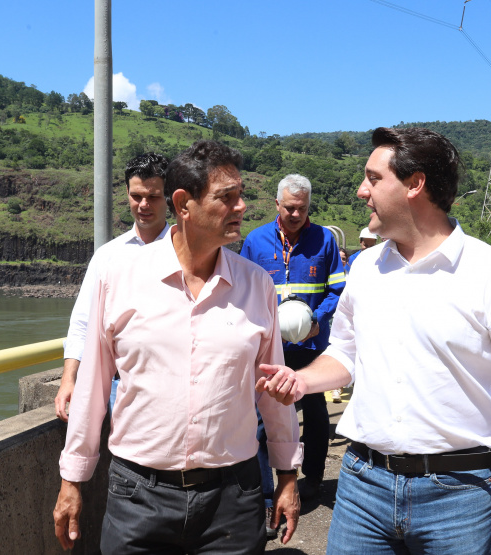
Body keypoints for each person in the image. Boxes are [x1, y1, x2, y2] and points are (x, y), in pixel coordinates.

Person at [257, 127, 491, 555]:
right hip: (362, 487)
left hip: (456, 495)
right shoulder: (365, 268)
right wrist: (301, 381)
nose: (363, 191)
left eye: (374, 178)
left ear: (415, 184)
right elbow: (346, 352)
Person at [53, 140, 303, 553]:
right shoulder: (118, 277)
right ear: (184, 203)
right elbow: (93, 388)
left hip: (233, 500)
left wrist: (288, 478)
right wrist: (72, 480)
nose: (241, 207)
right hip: (138, 495)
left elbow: (273, 393)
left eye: (240, 196)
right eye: (227, 197)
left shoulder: (257, 285)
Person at [240, 173, 346, 504]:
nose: (296, 215)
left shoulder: (325, 241)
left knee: (315, 417)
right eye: (289, 208)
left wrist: (318, 318)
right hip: (269, 348)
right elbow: (242, 291)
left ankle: (312, 479)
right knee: (260, 418)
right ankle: (265, 493)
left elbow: (337, 289)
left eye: (302, 208)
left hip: (311, 346)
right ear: (277, 204)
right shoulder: (256, 242)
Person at [54, 152, 170, 421]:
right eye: (136, 196)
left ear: (169, 197)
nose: (143, 204)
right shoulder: (107, 256)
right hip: (119, 388)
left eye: (153, 196)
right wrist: (68, 380)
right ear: (127, 193)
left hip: (173, 387)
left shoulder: (185, 253)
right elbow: (83, 322)